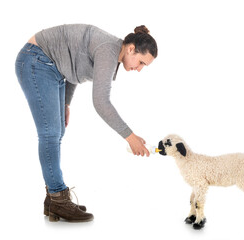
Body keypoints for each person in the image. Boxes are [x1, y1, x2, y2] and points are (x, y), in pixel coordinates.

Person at [15, 24, 158, 222]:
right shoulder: (108, 50)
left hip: (50, 67)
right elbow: (101, 102)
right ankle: (58, 197)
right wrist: (130, 137)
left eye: (144, 66)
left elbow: (74, 68)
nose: (140, 69)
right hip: (37, 60)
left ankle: (53, 199)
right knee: (50, 133)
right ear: (131, 48)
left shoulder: (112, 52)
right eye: (141, 62)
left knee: (56, 133)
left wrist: (65, 103)